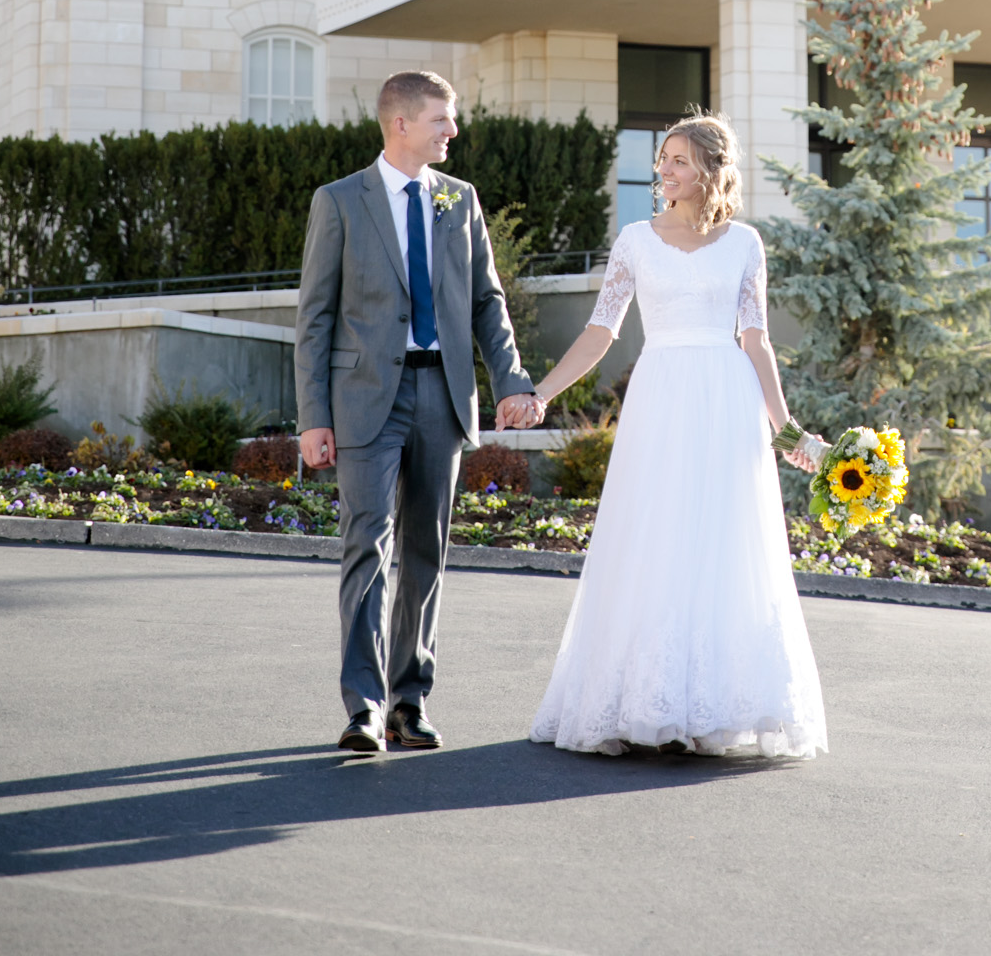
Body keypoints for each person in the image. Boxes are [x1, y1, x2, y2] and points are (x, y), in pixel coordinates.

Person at [528, 112, 829, 758]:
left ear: (711, 172)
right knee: (654, 537)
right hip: (660, 397)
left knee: (722, 543)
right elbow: (600, 332)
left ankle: (716, 706)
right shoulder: (635, 240)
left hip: (727, 401)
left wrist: (787, 429)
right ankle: (644, 699)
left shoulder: (746, 243)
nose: (664, 170)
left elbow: (757, 339)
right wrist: (542, 394)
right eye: (663, 159)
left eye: (679, 161)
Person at [295, 69, 542, 754]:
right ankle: (364, 706)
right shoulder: (339, 202)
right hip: (364, 398)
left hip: (442, 393)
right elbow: (313, 318)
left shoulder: (459, 201)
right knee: (365, 545)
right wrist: (314, 417)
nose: (452, 131)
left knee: (426, 551)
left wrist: (513, 381)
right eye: (442, 119)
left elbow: (488, 303)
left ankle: (410, 699)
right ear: (401, 123)